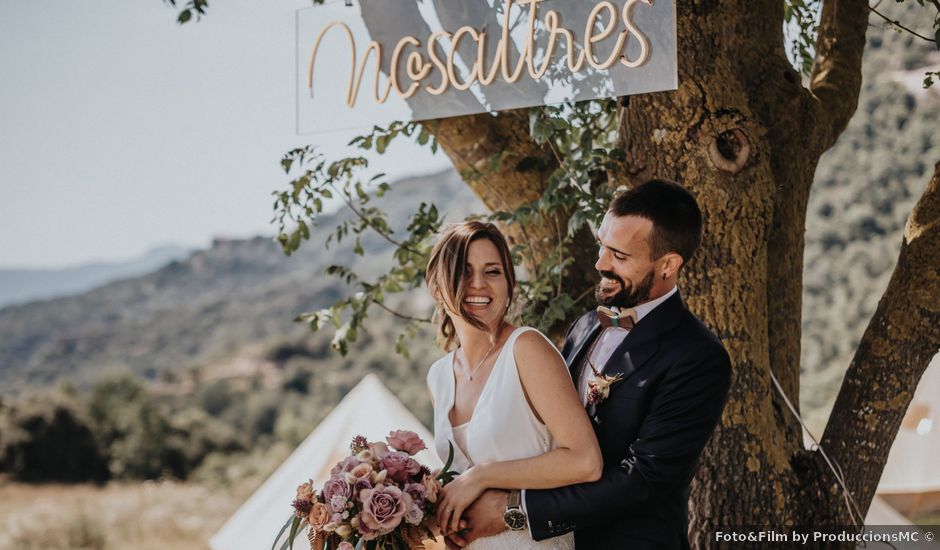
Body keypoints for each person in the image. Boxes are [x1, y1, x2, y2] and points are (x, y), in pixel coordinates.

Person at [449, 180, 733, 550]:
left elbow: (643, 479)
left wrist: (513, 510)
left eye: (619, 255)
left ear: (668, 264)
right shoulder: (585, 326)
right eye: (602, 244)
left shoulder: (697, 357)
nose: (600, 262)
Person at [425, 220, 603, 550]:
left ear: (509, 283)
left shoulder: (526, 349)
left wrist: (481, 476)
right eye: (464, 272)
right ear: (437, 288)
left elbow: (586, 460)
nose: (478, 284)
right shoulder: (438, 376)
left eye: (492, 271)